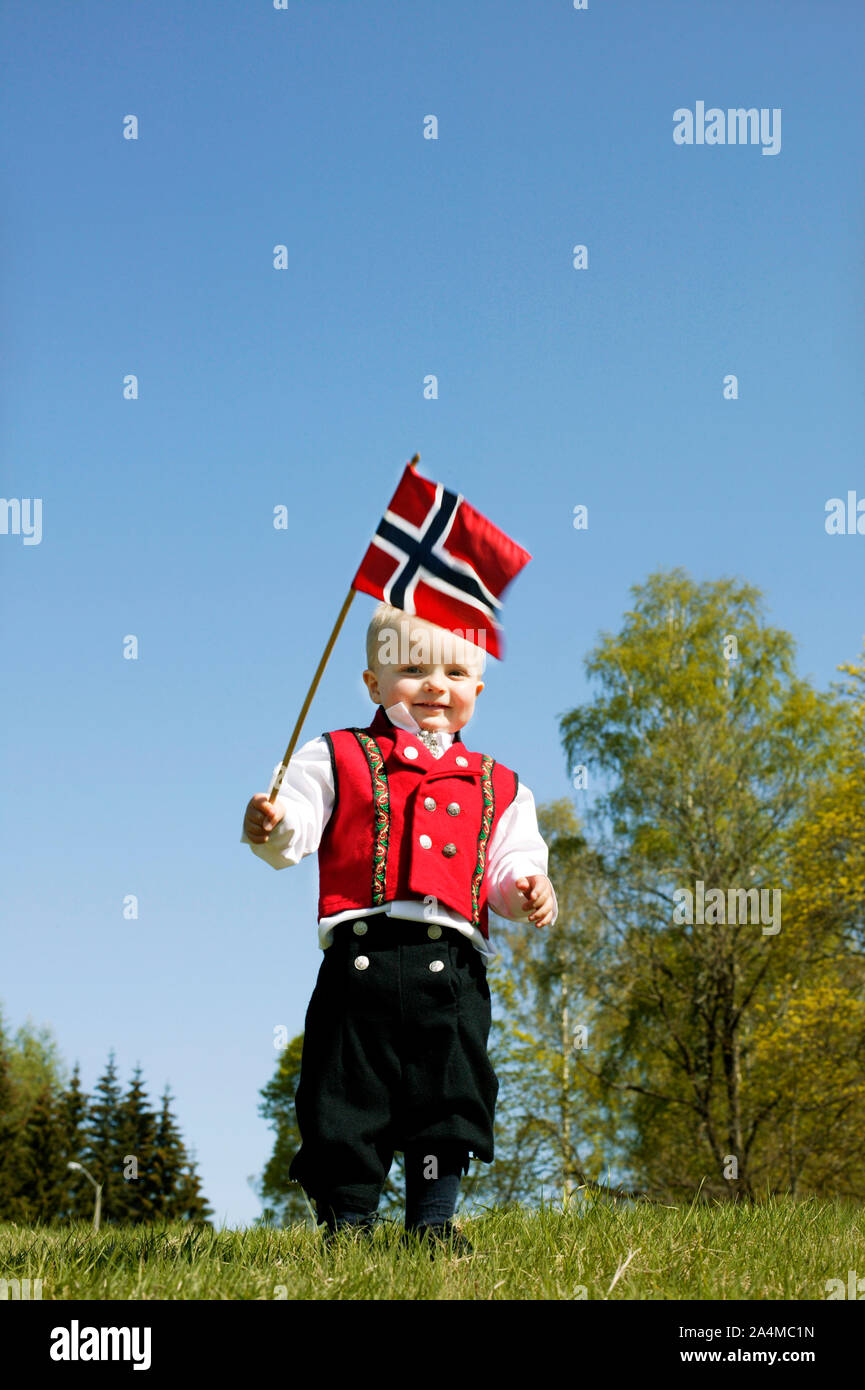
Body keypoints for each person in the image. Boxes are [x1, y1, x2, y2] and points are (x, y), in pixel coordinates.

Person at [241, 603, 557, 1250]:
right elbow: (297, 823)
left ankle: (433, 1223)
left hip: (453, 971)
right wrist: (275, 828)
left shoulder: (502, 786)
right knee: (343, 1096)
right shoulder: (336, 754)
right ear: (373, 684)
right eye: (412, 669)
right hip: (362, 964)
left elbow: (505, 868)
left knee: (448, 1096)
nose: (435, 685)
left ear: (477, 688)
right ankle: (348, 1226)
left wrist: (526, 889)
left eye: (454, 672)